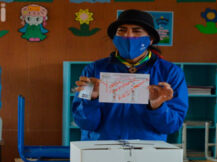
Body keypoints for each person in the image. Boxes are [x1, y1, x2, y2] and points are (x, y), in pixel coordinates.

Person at [72, 9, 188, 141]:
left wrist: (157, 105)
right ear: (114, 38)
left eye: (136, 31)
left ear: (150, 39)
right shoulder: (93, 70)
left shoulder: (170, 72)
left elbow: (171, 126)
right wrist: (90, 99)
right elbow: (84, 123)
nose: (128, 36)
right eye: (121, 30)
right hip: (101, 149)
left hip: (147, 151)